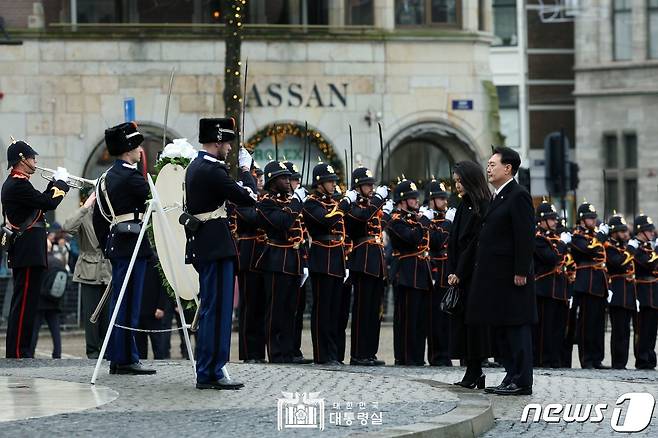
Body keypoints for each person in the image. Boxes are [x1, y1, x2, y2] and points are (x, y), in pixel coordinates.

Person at [183, 117, 256, 389]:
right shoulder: (213, 170)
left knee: (213, 309)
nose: (228, 147)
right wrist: (246, 170)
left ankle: (210, 369)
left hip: (209, 245)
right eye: (226, 142)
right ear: (216, 141)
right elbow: (249, 197)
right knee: (218, 310)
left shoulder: (197, 166)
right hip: (216, 246)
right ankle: (212, 369)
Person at [470, 147, 536, 396]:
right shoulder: (498, 196)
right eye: (487, 164)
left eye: (492, 164)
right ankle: (511, 375)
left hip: (512, 276)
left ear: (508, 168)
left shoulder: (518, 195)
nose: (488, 168)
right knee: (502, 329)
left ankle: (522, 379)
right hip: (495, 277)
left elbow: (525, 235)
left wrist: (521, 270)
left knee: (517, 327)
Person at [92, 122, 155, 376]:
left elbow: (98, 218)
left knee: (121, 302)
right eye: (137, 145)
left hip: (117, 244)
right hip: (133, 245)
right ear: (128, 148)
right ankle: (126, 357)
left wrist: (107, 247)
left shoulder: (105, 177)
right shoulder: (131, 177)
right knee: (129, 304)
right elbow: (156, 200)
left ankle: (121, 357)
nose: (141, 150)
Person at [1, 139, 70, 358]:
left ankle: (21, 350)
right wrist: (61, 185)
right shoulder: (17, 183)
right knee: (24, 305)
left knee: (26, 304)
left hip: (29, 251)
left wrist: (54, 185)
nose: (35, 161)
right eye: (32, 158)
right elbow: (48, 203)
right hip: (28, 251)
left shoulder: (19, 183)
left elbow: (40, 202)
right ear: (22, 160)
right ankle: (19, 352)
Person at [255, 160, 307, 363]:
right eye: (283, 178)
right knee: (275, 309)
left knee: (290, 310)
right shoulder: (267, 202)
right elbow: (282, 223)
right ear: (273, 181)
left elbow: (300, 233)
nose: (288, 181)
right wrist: (296, 203)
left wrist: (304, 262)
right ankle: (276, 353)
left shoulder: (289, 201)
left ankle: (288, 351)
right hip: (276, 259)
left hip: (293, 260)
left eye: (288, 177)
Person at [302, 162, 352, 365]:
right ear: (319, 183)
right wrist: (345, 204)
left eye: (333, 181)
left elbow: (342, 229)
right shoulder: (311, 203)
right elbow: (326, 221)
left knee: (335, 310)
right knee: (322, 310)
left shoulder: (335, 202)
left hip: (338, 259)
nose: (333, 185)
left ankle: (334, 354)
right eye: (329, 181)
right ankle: (322, 355)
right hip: (322, 258)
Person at [446, 161, 491, 387]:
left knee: (474, 325)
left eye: (460, 181)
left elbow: (473, 242)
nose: (457, 186)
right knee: (464, 324)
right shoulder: (464, 204)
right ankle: (473, 371)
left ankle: (475, 370)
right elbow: (454, 240)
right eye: (455, 181)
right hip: (461, 274)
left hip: (473, 274)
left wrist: (460, 272)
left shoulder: (482, 204)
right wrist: (452, 269)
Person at [344, 166, 388, 366]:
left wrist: (385, 208)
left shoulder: (372, 205)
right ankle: (358, 354)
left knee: (374, 311)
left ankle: (370, 352)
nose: (371, 188)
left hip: (376, 260)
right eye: (366, 185)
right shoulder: (354, 206)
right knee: (362, 310)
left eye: (371, 184)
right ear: (358, 187)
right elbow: (361, 218)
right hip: (362, 260)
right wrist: (379, 201)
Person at [62, 190, 112, 359]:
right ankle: (92, 352)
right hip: (89, 271)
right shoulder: (86, 214)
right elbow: (67, 226)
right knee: (91, 316)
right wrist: (85, 206)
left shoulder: (112, 214)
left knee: (107, 316)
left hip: (109, 271)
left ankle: (107, 351)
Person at [388, 178, 432, 366]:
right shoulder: (395, 220)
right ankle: (405, 356)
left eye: (416, 198)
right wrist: (423, 224)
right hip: (406, 272)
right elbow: (411, 239)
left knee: (420, 318)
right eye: (412, 198)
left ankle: (417, 356)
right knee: (406, 318)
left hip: (421, 271)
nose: (416, 201)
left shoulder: (414, 218)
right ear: (402, 200)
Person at [231, 174, 267, 364]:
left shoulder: (262, 200)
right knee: (249, 307)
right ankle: (248, 352)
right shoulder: (243, 201)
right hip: (249, 255)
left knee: (260, 307)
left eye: (260, 177)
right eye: (256, 178)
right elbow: (255, 218)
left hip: (262, 256)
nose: (260, 181)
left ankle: (259, 351)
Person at [570, 201, 609, 369]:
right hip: (586, 283)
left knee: (599, 324)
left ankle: (597, 358)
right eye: (590, 218)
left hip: (599, 283)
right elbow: (589, 250)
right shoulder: (577, 236)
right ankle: (587, 359)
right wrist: (600, 237)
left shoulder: (594, 235)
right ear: (581, 220)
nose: (593, 221)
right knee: (586, 324)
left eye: (594, 218)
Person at [532, 201, 570, 368]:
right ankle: (542, 359)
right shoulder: (538, 237)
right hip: (544, 288)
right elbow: (551, 258)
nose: (555, 222)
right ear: (541, 221)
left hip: (559, 289)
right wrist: (562, 244)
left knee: (557, 327)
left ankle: (554, 359)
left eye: (555, 219)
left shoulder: (553, 238)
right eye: (551, 219)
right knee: (544, 328)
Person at [283, 160, 312, 365]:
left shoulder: (300, 201)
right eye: (293, 180)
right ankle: (284, 349)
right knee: (286, 307)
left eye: (297, 180)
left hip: (300, 255)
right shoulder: (285, 202)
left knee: (299, 308)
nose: (296, 184)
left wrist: (305, 261)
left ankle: (295, 348)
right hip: (284, 257)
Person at [421, 179, 453, 367]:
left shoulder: (446, 217)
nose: (444, 202)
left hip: (448, 271)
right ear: (431, 200)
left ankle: (446, 354)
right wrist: (448, 223)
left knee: (446, 318)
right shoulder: (427, 219)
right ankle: (436, 356)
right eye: (440, 198)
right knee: (435, 318)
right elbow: (436, 242)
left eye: (444, 198)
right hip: (435, 271)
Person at [604, 213, 637, 370]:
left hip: (629, 291)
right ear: (614, 232)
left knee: (625, 331)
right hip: (617, 290)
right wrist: (630, 250)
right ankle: (617, 363)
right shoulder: (609, 247)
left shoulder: (623, 247)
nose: (626, 234)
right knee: (618, 330)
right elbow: (619, 264)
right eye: (622, 231)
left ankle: (622, 363)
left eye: (626, 231)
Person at [30, 239, 67, 359]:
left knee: (34, 330)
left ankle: (30, 353)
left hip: (40, 301)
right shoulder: (59, 262)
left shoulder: (40, 262)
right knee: (55, 331)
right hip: (55, 302)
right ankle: (57, 354)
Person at [630, 214, 657, 369]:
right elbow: (650, 264)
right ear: (641, 231)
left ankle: (650, 357)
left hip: (654, 291)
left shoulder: (647, 247)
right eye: (649, 230)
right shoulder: (636, 248)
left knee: (652, 328)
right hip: (642, 291)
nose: (652, 232)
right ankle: (642, 358)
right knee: (642, 328)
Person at [135, 254, 169, 360]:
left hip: (154, 312)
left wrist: (161, 307)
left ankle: (162, 367)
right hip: (139, 310)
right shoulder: (136, 262)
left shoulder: (157, 262)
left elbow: (163, 286)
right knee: (140, 346)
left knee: (157, 344)